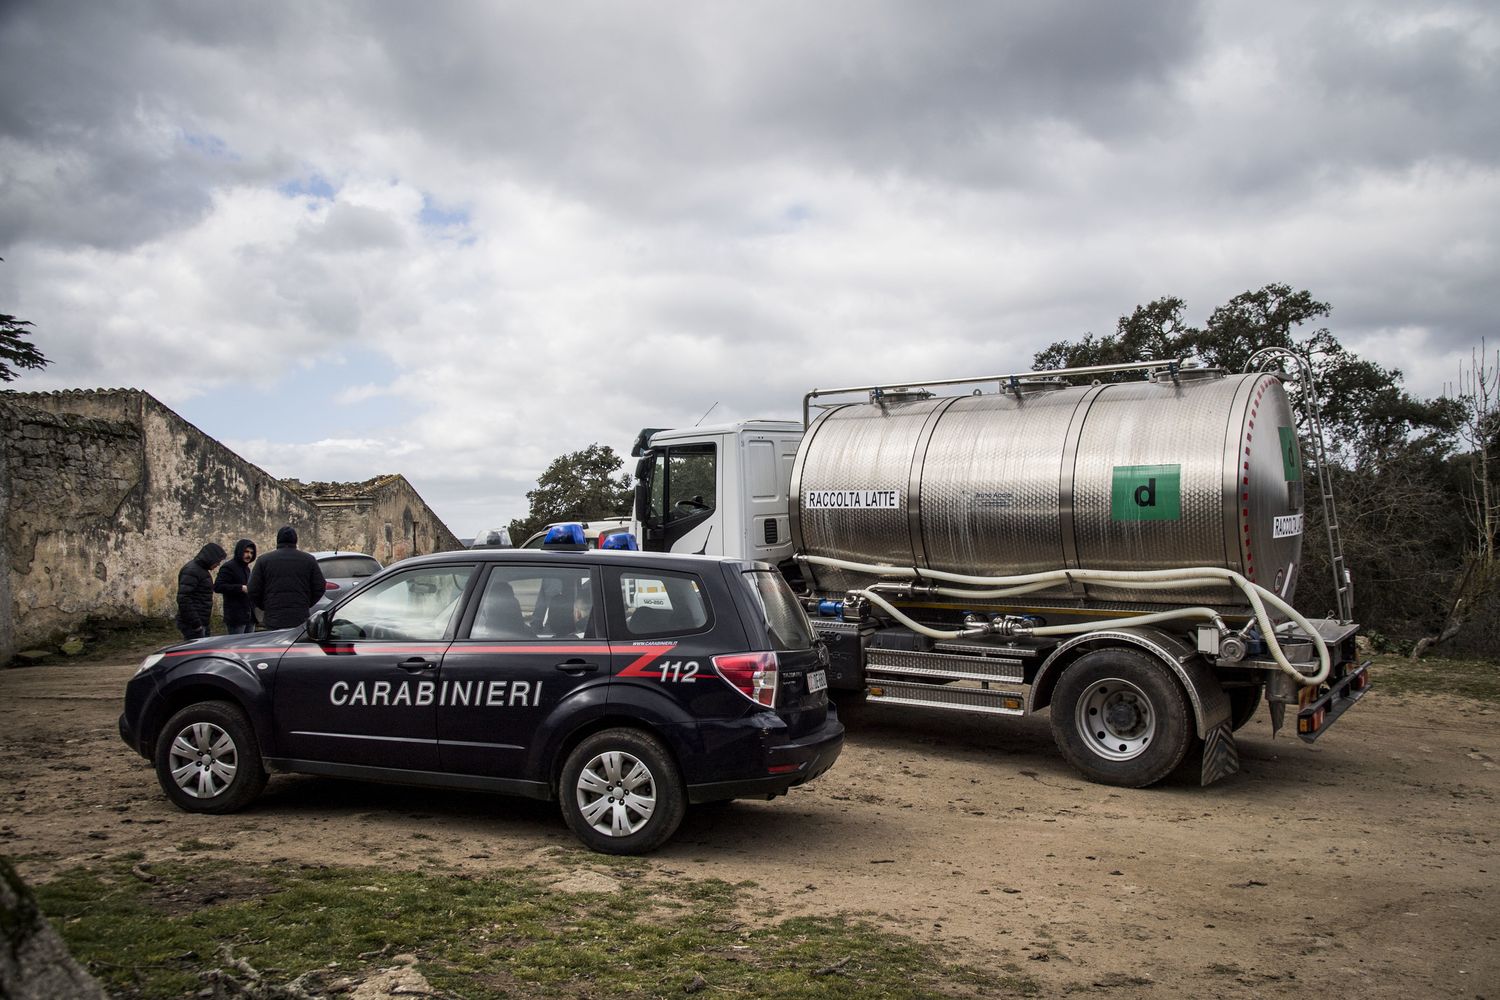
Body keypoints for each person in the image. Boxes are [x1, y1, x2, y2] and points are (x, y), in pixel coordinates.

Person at [248, 525, 326, 630]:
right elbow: (320, 586)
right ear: (295, 540)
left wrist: (265, 605)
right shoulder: (308, 560)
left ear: (278, 540)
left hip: (273, 616)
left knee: (276, 645)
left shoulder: (264, 560)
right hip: (299, 616)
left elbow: (253, 589)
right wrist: (306, 603)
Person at [175, 541, 226, 641]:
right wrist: (196, 624)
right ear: (210, 558)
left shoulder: (201, 570)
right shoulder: (192, 570)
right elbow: (184, 598)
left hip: (200, 621)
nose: (218, 564)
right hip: (193, 624)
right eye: (217, 561)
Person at [214, 538, 258, 634]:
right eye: (246, 552)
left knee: (249, 647)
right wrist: (240, 588)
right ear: (240, 551)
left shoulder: (247, 569)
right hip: (236, 618)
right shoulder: (228, 567)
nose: (249, 555)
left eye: (251, 553)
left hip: (249, 616)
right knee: (236, 647)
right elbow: (218, 586)